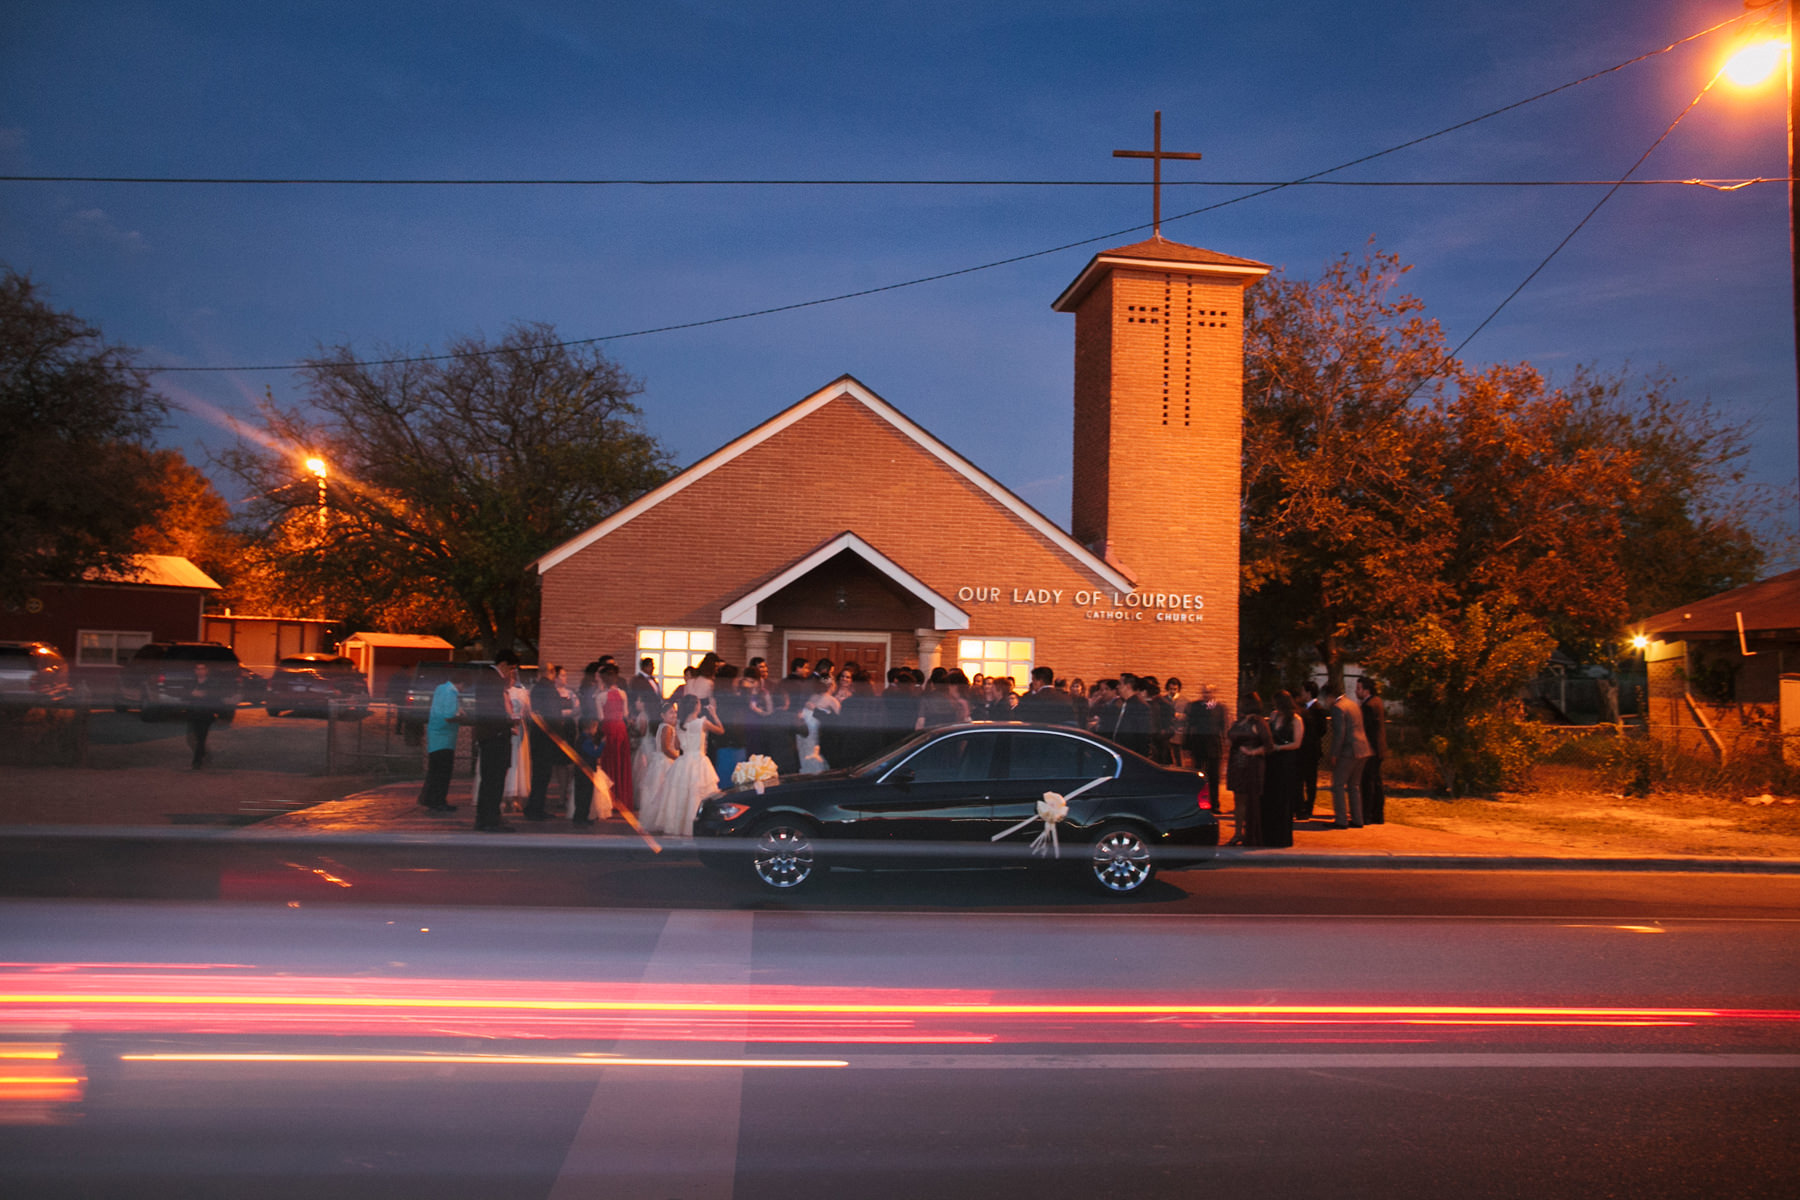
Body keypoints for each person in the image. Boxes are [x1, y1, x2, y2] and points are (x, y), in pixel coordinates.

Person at [463, 667, 516, 831]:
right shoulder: (492, 681)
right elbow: (494, 714)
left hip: (491, 739)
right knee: (493, 781)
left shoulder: (487, 681)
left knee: (490, 781)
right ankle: (490, 819)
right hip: (495, 740)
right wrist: (507, 724)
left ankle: (486, 817)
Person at [1324, 682, 1374, 828]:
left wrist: (1334, 754)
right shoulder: (1353, 704)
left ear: (1330, 696)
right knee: (1354, 785)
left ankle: (1341, 819)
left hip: (1349, 750)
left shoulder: (1338, 708)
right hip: (1363, 748)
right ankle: (1357, 819)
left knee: (1338, 784)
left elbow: (1340, 733)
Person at [1225, 696, 1271, 845]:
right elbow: (1229, 738)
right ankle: (1238, 833)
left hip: (1251, 765)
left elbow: (1268, 745)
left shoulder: (1259, 722)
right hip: (1236, 764)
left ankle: (1250, 834)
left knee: (1250, 800)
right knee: (1238, 799)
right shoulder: (1239, 722)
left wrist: (1252, 752)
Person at [1259, 691, 1303, 848]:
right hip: (1271, 760)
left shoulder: (1296, 720)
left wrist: (1279, 747)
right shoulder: (1274, 715)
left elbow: (1297, 743)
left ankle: (1281, 836)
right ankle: (1267, 835)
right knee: (1269, 796)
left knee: (1282, 797)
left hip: (1285, 761)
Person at [417, 668, 463, 813]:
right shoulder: (451, 693)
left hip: (435, 736)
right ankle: (438, 801)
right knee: (443, 772)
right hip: (445, 737)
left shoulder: (440, 689)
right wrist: (461, 717)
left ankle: (429, 799)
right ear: (461, 683)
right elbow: (449, 715)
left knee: (434, 770)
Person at [523, 666, 566, 821]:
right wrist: (559, 735)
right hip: (546, 737)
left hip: (538, 736)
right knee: (542, 775)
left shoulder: (536, 688)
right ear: (552, 673)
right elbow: (553, 714)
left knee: (539, 775)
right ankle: (536, 808)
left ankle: (534, 807)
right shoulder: (549, 689)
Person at [636, 698, 679, 817]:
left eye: (675, 712)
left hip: (662, 761)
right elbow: (666, 748)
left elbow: (676, 745)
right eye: (670, 713)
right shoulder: (667, 728)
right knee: (663, 789)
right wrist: (677, 759)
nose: (674, 715)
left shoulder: (668, 727)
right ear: (662, 715)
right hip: (665, 762)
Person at [1188, 684, 1226, 810]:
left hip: (1214, 747)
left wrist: (1224, 744)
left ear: (1214, 693)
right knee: (1198, 776)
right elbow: (1191, 725)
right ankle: (1197, 803)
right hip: (1199, 745)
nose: (1206, 695)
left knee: (1214, 777)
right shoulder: (1195, 706)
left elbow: (1223, 727)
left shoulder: (1219, 708)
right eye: (1204, 692)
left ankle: (1214, 803)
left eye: (1209, 692)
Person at [1357, 677, 1388, 825]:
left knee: (1368, 782)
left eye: (1359, 688)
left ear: (1366, 690)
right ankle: (1378, 814)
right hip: (1379, 748)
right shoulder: (1377, 702)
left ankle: (1367, 814)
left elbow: (1365, 729)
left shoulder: (1368, 706)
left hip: (1371, 749)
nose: (1356, 691)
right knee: (1376, 781)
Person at [184, 661, 223, 769]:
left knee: (201, 738)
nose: (200, 671)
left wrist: (204, 696)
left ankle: (197, 761)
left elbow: (216, 698)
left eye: (202, 669)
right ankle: (204, 755)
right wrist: (192, 694)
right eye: (198, 669)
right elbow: (185, 695)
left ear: (206, 671)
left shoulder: (212, 683)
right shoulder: (192, 683)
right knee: (191, 738)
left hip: (206, 714)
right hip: (193, 713)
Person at [1298, 680, 1327, 820]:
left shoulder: (1318, 709)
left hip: (1311, 750)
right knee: (1301, 779)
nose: (1301, 694)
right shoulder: (1303, 708)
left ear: (1308, 693)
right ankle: (1301, 805)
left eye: (1303, 691)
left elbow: (1322, 729)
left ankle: (1308, 806)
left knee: (1310, 780)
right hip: (1303, 749)